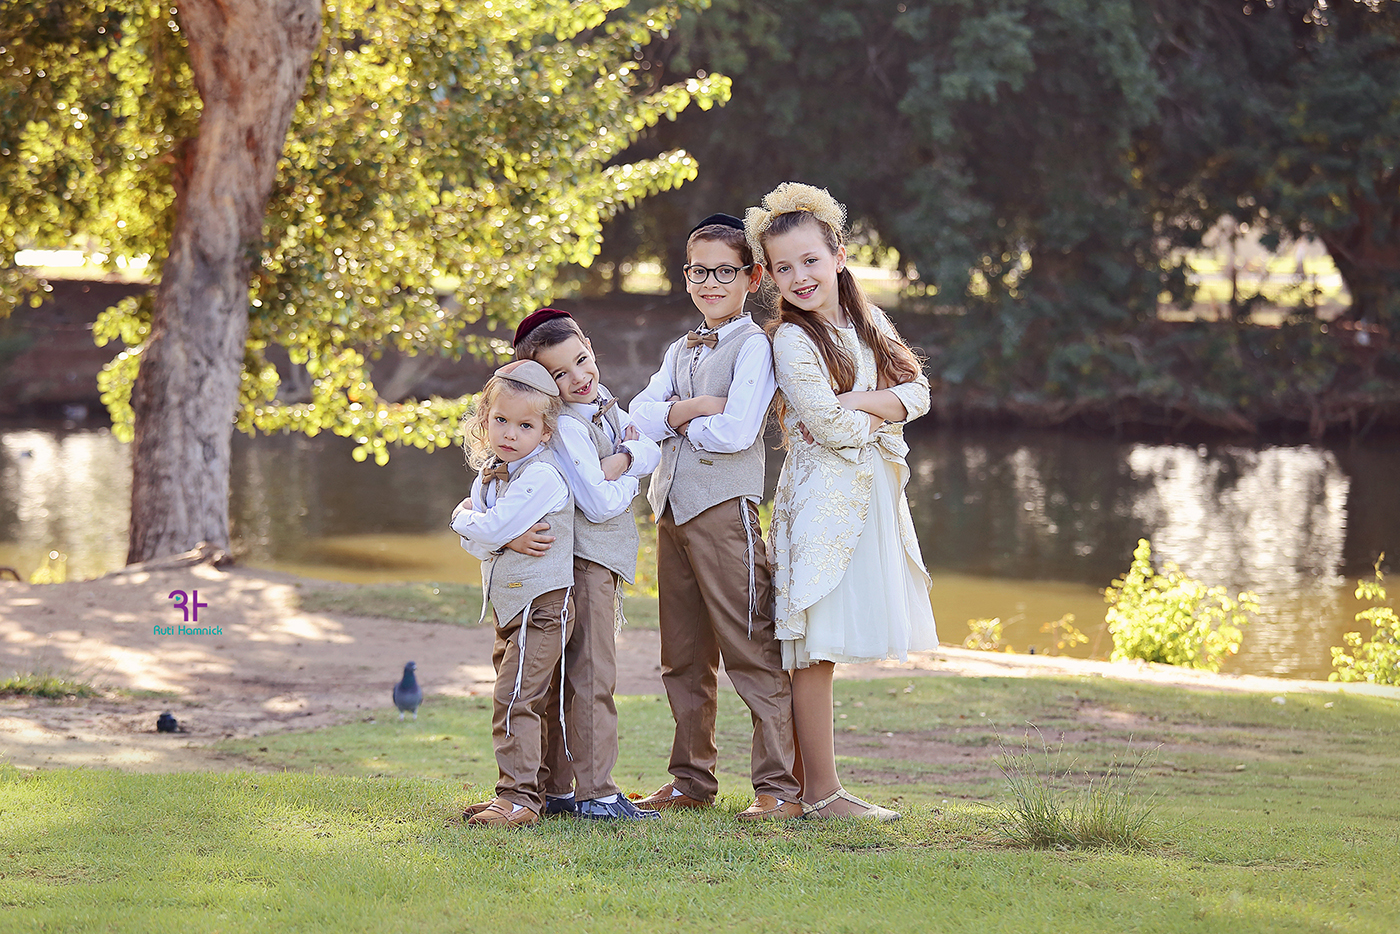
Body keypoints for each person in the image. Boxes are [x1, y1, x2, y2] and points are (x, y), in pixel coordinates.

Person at [746, 182, 937, 820]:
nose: (800, 277)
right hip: (820, 504)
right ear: (771, 277)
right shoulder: (791, 339)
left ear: (838, 256)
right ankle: (823, 793)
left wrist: (856, 402)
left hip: (865, 497)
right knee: (813, 645)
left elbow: (919, 394)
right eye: (783, 268)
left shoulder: (866, 323)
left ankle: (809, 788)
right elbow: (826, 427)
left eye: (810, 260)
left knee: (821, 645)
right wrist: (879, 410)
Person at [630, 213, 803, 821]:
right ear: (686, 277)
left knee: (750, 648)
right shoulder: (680, 348)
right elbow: (637, 416)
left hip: (725, 514)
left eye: (724, 272)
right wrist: (694, 406)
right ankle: (691, 780)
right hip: (671, 512)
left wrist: (674, 417)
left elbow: (736, 433)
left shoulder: (755, 346)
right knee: (682, 655)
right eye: (698, 271)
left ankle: (779, 788)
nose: (710, 283)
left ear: (752, 278)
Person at [511, 307, 662, 821]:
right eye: (559, 373)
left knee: (572, 675)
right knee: (592, 675)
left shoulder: (600, 403)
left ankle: (557, 788)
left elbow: (651, 450)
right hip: (583, 562)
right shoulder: (568, 428)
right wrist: (628, 464)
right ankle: (596, 793)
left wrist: (622, 459)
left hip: (593, 560)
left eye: (581, 360)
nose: (578, 377)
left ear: (591, 348)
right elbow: (597, 503)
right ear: (543, 383)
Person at [451, 359, 575, 828]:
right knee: (523, 695)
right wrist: (501, 537)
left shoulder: (541, 476)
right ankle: (536, 792)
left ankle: (518, 799)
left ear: (545, 433)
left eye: (525, 425)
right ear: (485, 419)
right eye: (501, 420)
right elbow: (479, 543)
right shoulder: (491, 474)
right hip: (511, 606)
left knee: (515, 696)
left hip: (542, 604)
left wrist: (463, 519)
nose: (510, 433)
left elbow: (485, 530)